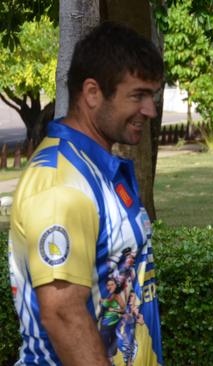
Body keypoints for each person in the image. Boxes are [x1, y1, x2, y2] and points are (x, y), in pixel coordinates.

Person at [8, 22, 164, 366]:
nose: (150, 110)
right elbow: (63, 313)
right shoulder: (61, 184)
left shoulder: (96, 170)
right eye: (137, 95)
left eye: (151, 96)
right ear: (92, 93)